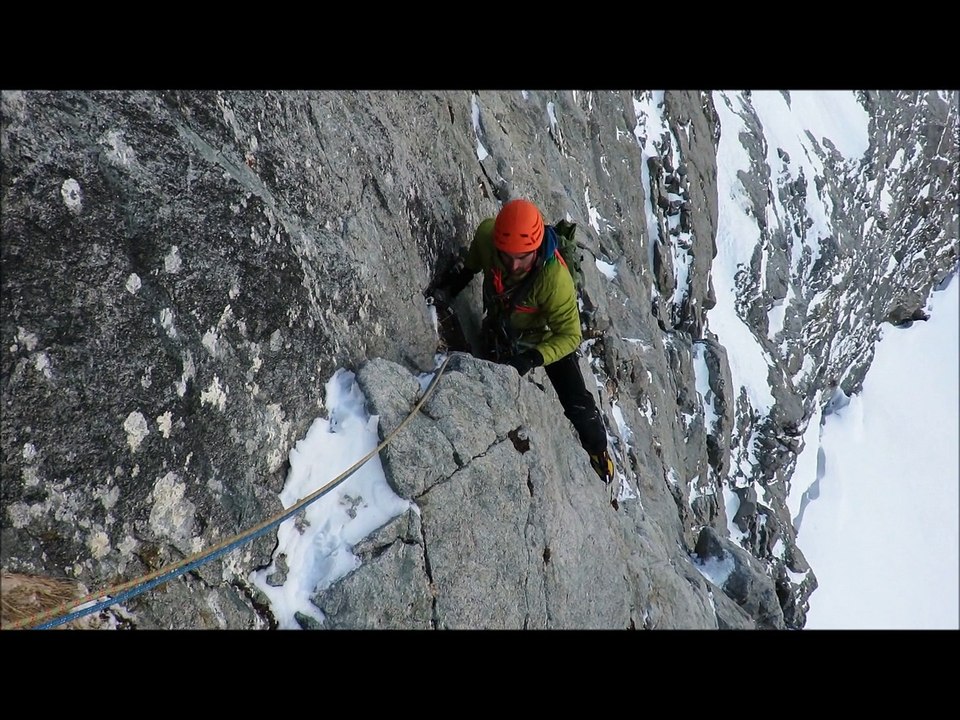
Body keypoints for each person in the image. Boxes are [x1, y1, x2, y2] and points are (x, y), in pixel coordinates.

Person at [428, 198, 615, 484]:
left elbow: (570, 335)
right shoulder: (489, 236)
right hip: (503, 329)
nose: (514, 264)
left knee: (578, 403)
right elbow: (473, 265)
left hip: (544, 339)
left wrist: (533, 358)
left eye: (523, 256)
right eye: (507, 256)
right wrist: (453, 287)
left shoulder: (555, 281)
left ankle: (599, 451)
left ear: (537, 249)